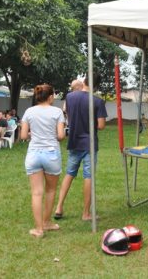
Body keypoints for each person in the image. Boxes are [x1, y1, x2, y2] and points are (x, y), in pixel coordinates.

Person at [55, 76, 107, 221]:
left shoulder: (69, 97)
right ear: (96, 86)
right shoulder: (97, 101)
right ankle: (86, 213)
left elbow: (67, 113)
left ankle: (59, 207)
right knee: (88, 176)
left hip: (74, 141)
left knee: (69, 173)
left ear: (83, 81)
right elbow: (101, 126)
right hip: (89, 143)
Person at [20, 84, 66, 238]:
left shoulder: (29, 111)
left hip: (33, 154)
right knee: (50, 190)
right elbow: (61, 136)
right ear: (51, 97)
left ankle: (39, 229)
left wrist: (34, 134)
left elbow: (23, 135)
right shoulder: (57, 112)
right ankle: (47, 223)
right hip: (51, 154)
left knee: (36, 193)